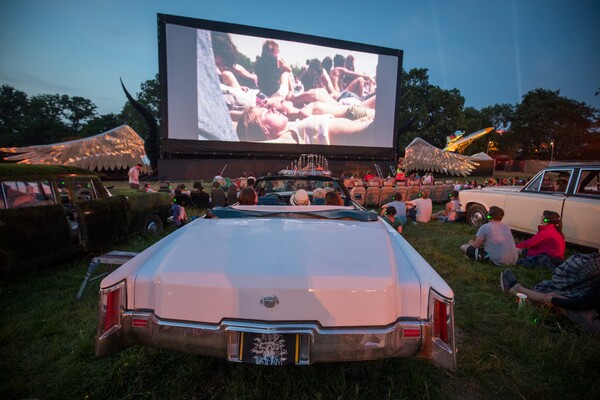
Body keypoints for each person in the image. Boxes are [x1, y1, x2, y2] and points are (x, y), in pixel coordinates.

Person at [500, 253, 600, 335]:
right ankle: (517, 291)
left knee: (554, 298)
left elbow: (583, 304)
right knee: (557, 298)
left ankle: (516, 291)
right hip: (593, 314)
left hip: (595, 323)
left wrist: (554, 300)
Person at [236, 105, 374, 145]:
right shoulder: (291, 137)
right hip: (370, 130)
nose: (272, 108)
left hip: (364, 122)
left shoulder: (293, 127)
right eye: (265, 113)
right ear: (264, 131)